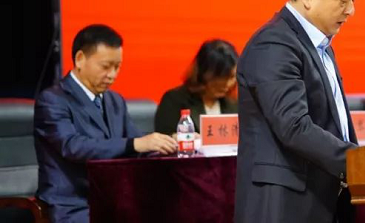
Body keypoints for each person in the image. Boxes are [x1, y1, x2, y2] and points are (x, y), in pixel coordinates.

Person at [235, 0, 359, 223]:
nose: (351, 10)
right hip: (285, 204)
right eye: (343, 0)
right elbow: (293, 126)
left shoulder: (320, 45)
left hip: (324, 200)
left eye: (354, 0)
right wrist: (361, 162)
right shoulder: (274, 43)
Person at [34, 24, 177, 223]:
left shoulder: (114, 100)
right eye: (105, 66)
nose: (112, 74)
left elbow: (137, 145)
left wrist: (170, 143)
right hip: (73, 205)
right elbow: (72, 146)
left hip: (114, 200)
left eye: (117, 67)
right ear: (80, 59)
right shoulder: (53, 100)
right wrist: (135, 144)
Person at [154, 39, 239, 135]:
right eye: (220, 77)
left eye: (231, 77)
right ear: (202, 72)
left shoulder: (235, 104)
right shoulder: (174, 100)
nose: (227, 84)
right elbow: (163, 138)